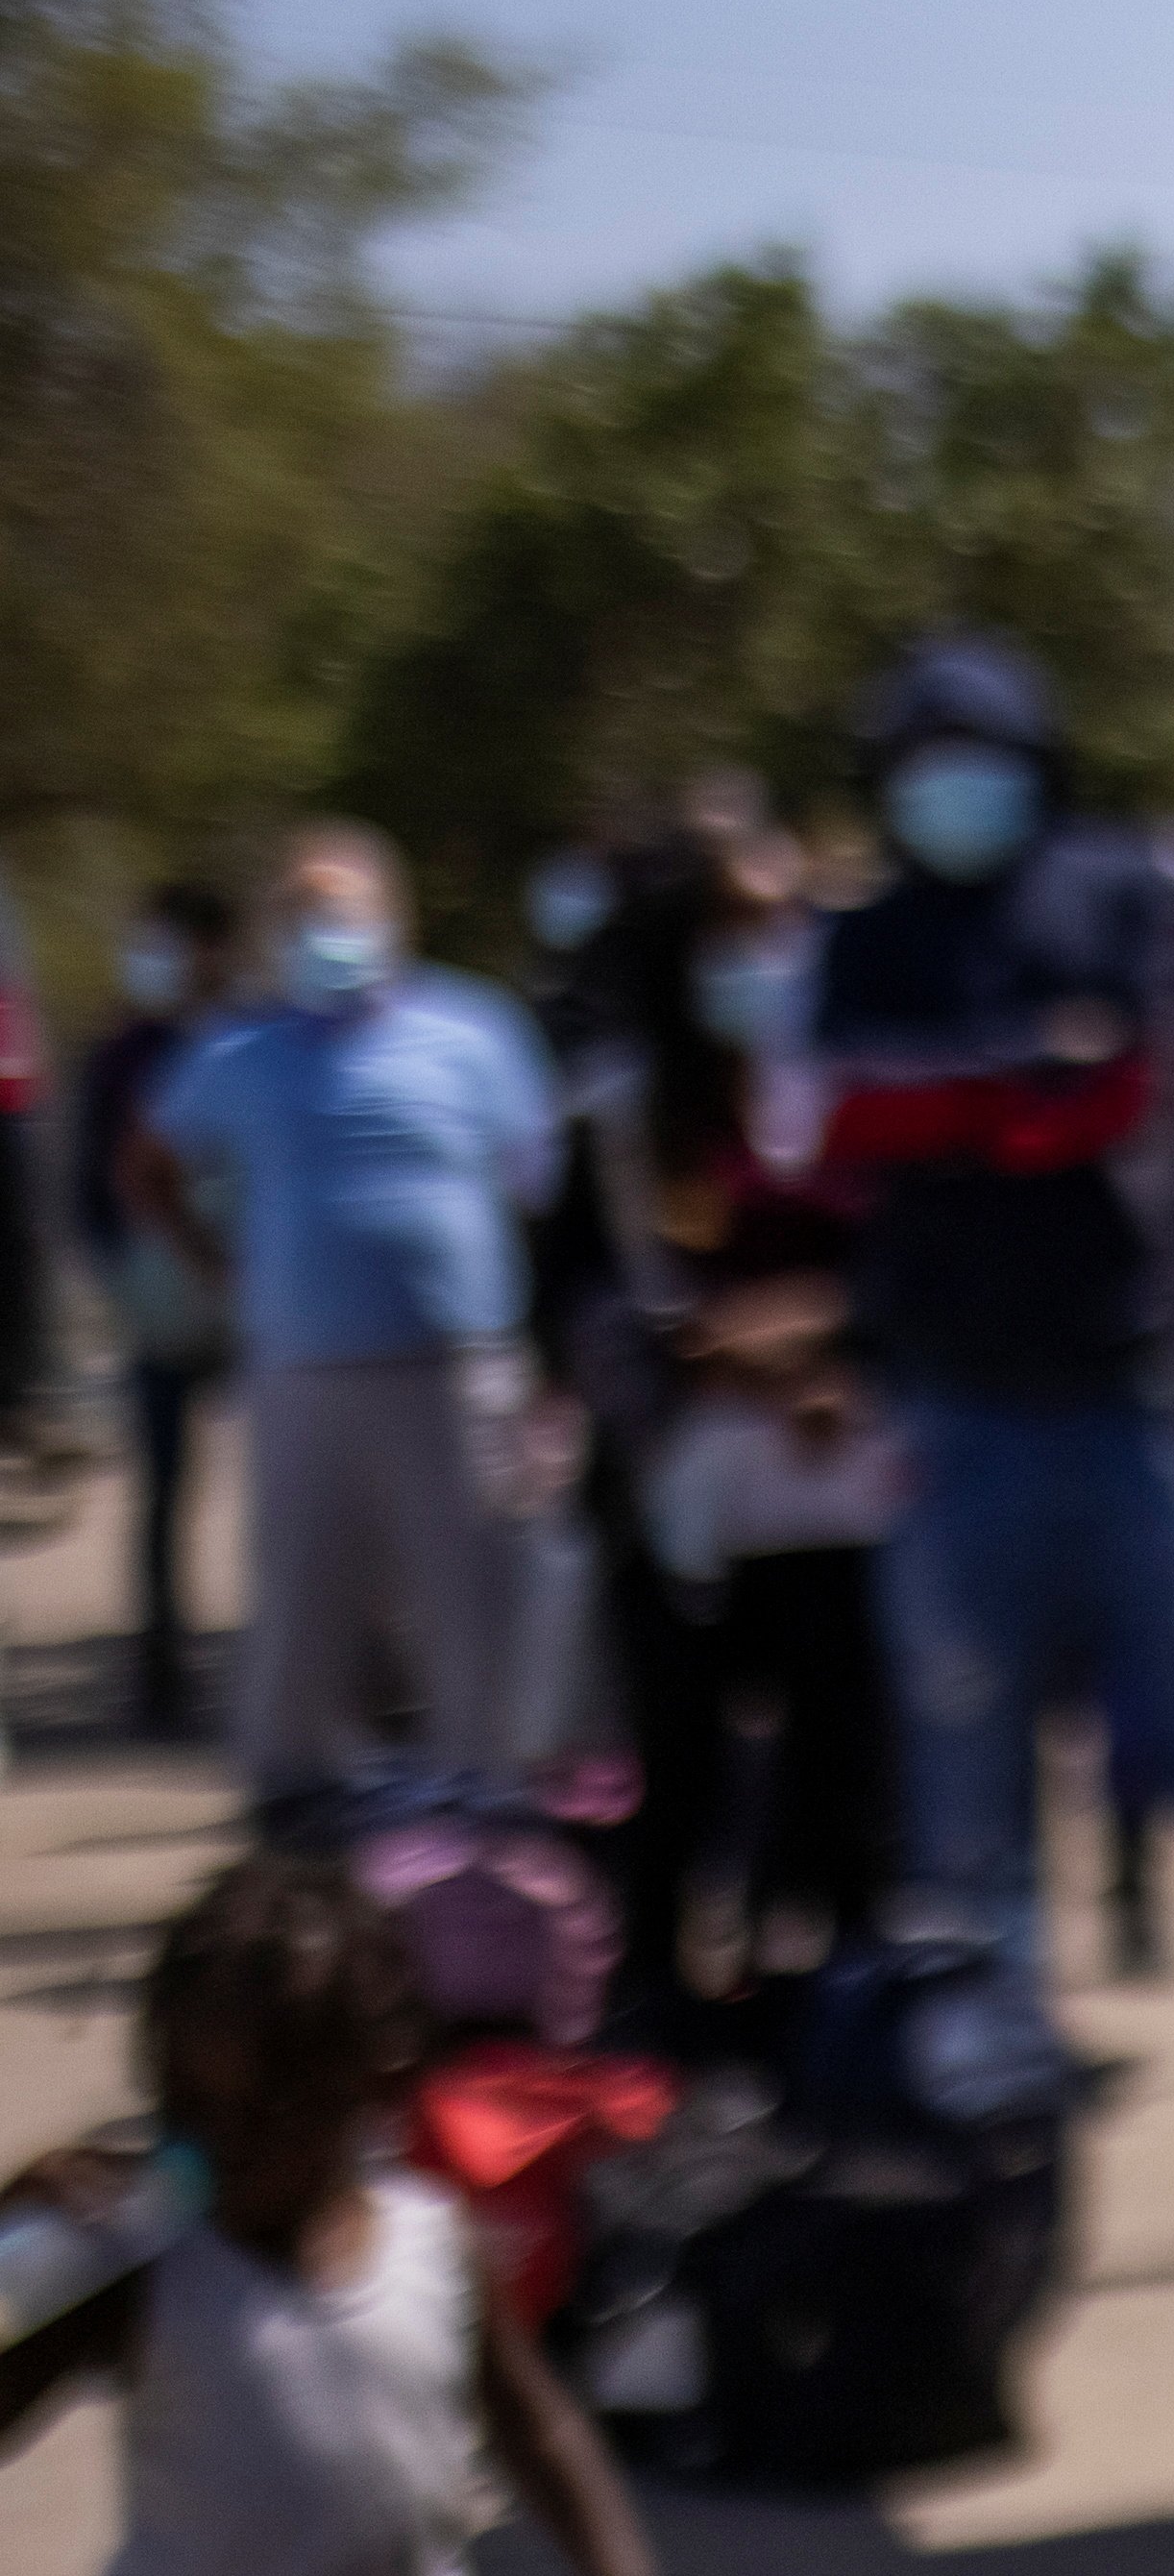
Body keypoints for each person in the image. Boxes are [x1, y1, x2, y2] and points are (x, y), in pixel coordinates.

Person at [0, 1848, 655, 2576]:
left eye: (264, 2114)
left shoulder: (435, 2240)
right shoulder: (143, 2269)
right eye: (191, 2108)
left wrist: (611, 2567)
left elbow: (532, 2416)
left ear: (373, 2086)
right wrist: (19, 2228)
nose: (221, 2146)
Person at [815, 638, 1174, 1979]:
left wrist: (1019, 1108)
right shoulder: (870, 938)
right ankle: (990, 2108)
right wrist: (1022, 1098)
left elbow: (1163, 1081)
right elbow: (856, 1115)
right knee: (967, 1797)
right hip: (957, 1412)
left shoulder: (1118, 890)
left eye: (981, 756)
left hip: (1141, 1402)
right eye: (925, 760)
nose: (953, 785)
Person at [132, 831, 560, 1803]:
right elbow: (148, 1166)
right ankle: (297, 1788)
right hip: (305, 1370)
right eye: (304, 913)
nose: (327, 931)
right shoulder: (237, 1051)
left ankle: (486, 1788)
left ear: (392, 914)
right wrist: (219, 1270)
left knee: (471, 1589)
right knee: (301, 1592)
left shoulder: (474, 1029)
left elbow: (536, 1177)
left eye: (344, 908)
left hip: (455, 1363)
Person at [564, 824, 897, 2010]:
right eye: (734, 928)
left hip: (842, 1470)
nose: (764, 951)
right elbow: (629, 1306)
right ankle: (667, 2000)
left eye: (782, 921)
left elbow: (898, 1265)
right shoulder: (626, 1110)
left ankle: (834, 1985)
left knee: (843, 1750)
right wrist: (755, 1359)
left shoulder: (845, 1085)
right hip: (687, 1490)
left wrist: (822, 1360)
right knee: (686, 1753)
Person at [78, 884, 243, 1736]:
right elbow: (93, 1186)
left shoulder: (258, 1040)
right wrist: (125, 1283)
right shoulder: (122, 1055)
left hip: (258, 1305)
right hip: (158, 1306)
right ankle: (159, 1672)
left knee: (284, 1491)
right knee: (164, 1489)